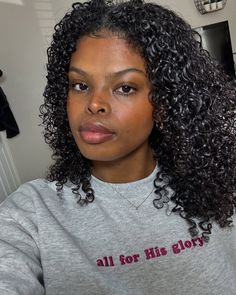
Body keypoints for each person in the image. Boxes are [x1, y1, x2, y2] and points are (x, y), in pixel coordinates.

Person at [0, 0, 236, 294]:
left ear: (163, 104)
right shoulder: (29, 215)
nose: (94, 104)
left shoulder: (220, 187)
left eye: (125, 87)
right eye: (80, 85)